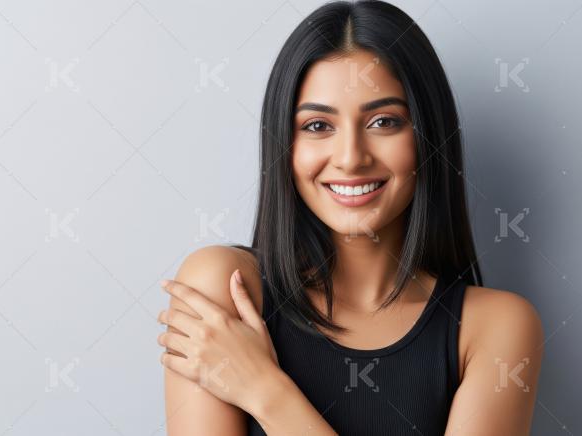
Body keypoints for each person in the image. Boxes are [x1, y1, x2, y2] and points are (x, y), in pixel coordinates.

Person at [157, 1, 544, 434]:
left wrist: (265, 391)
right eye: (318, 126)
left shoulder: (495, 327)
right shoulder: (224, 287)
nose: (350, 158)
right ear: (285, 144)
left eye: (383, 121)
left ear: (427, 136)